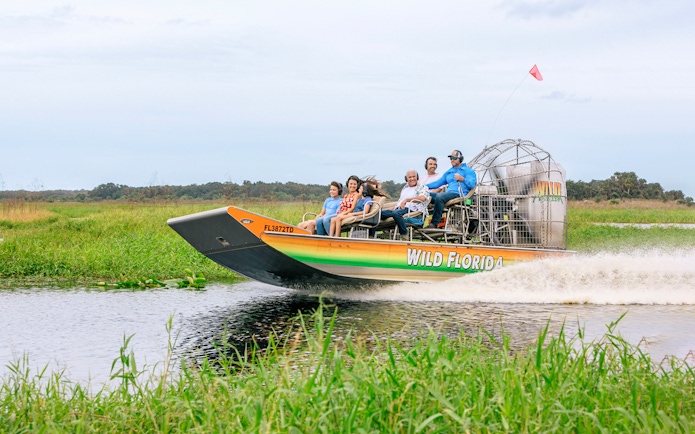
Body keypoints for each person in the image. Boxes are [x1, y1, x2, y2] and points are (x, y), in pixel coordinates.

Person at [425, 150, 477, 229]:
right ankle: (417, 222)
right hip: (448, 194)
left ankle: (434, 224)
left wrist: (462, 179)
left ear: (460, 159)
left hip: (459, 194)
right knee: (425, 195)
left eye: (455, 158)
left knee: (440, 197)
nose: (452, 160)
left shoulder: (468, 171)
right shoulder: (449, 172)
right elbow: (437, 183)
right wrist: (423, 186)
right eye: (451, 158)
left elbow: (472, 184)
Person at [380, 170, 430, 240]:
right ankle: (377, 232)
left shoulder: (422, 187)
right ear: (406, 179)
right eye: (410, 177)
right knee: (379, 213)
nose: (412, 179)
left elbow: (422, 198)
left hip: (412, 210)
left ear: (417, 177)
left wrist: (407, 200)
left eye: (414, 176)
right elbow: (400, 201)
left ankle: (404, 234)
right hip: (399, 209)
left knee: (396, 213)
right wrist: (394, 207)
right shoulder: (405, 188)